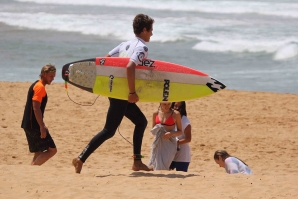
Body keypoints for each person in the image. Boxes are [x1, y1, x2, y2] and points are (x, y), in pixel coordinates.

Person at [72, 14, 154, 174]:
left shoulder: (124, 44)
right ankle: (80, 159)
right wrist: (132, 92)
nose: (152, 33)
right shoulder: (142, 48)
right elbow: (130, 67)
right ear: (144, 30)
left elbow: (106, 60)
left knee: (141, 122)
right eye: (151, 30)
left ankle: (137, 162)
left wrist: (104, 85)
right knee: (109, 130)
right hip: (123, 94)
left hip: (115, 91)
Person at [21, 64, 57, 165]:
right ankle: (33, 169)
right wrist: (42, 126)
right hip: (33, 125)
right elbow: (36, 108)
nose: (53, 79)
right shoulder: (39, 87)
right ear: (44, 74)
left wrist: (42, 124)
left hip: (28, 124)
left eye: (54, 77)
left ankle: (30, 172)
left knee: (38, 152)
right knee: (52, 150)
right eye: (51, 76)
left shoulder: (36, 84)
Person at [148, 102, 182, 170]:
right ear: (160, 103)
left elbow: (180, 131)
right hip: (158, 142)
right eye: (164, 104)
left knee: (164, 166)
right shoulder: (155, 113)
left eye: (169, 104)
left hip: (170, 143)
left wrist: (171, 133)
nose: (167, 106)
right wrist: (159, 132)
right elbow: (153, 130)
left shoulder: (176, 114)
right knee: (154, 165)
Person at [169, 101, 192, 172]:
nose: (177, 108)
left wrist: (176, 143)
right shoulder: (169, 118)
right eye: (175, 106)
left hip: (182, 156)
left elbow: (188, 139)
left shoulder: (185, 121)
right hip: (171, 154)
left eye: (179, 107)